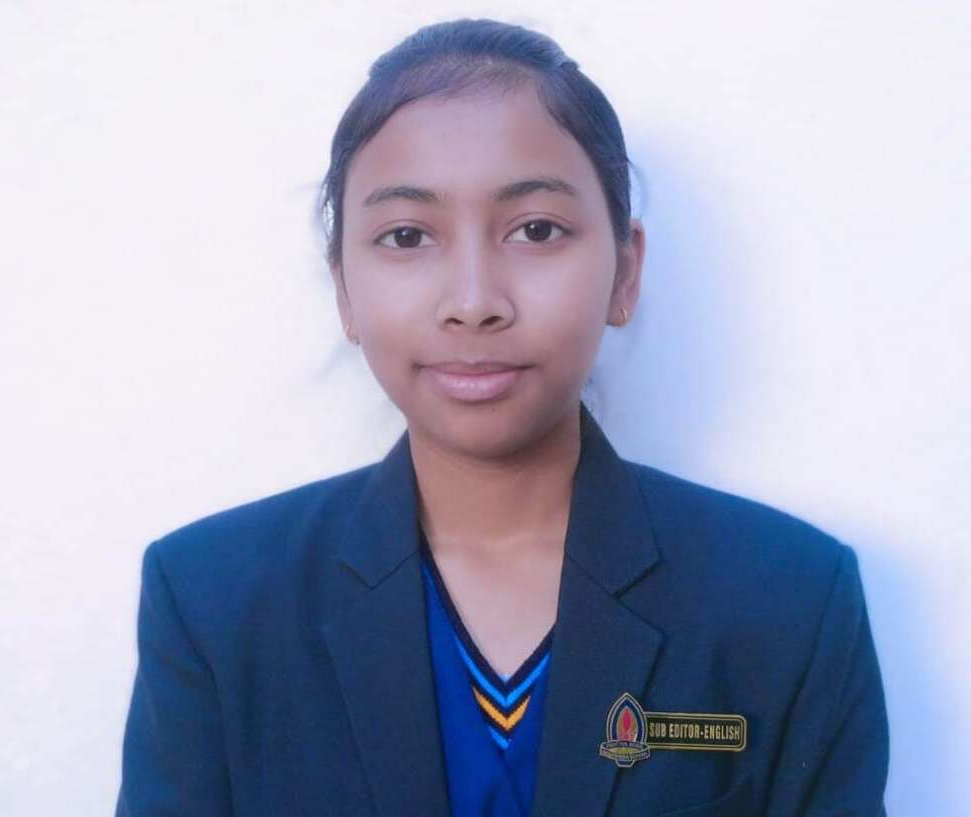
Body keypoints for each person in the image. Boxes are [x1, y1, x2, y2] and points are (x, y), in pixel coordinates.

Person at [115, 17, 889, 817]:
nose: (474, 300)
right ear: (343, 288)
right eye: (407, 236)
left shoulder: (790, 598)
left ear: (625, 272)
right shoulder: (212, 601)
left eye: (536, 229)